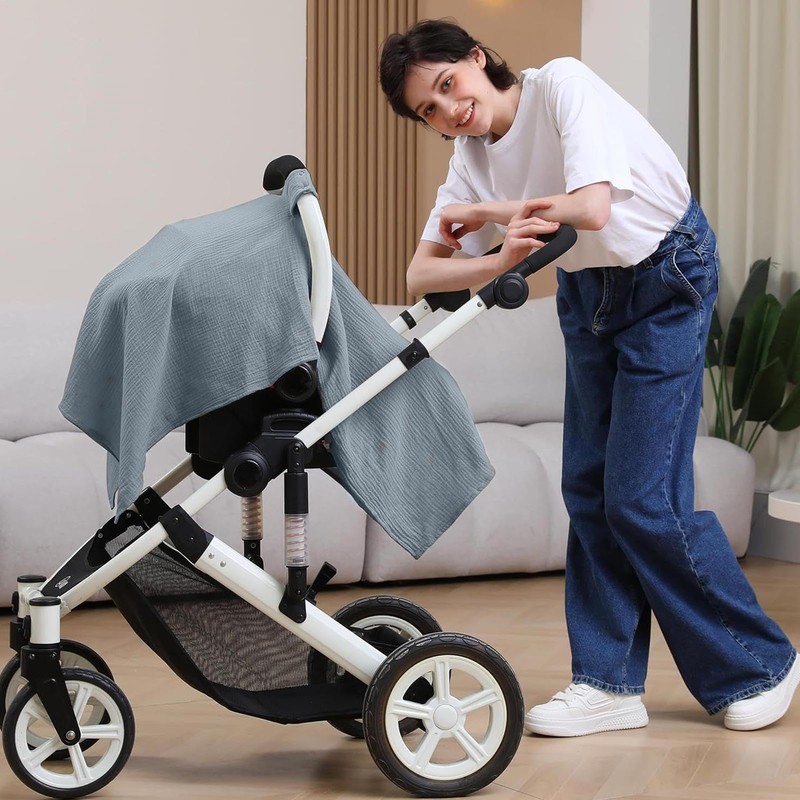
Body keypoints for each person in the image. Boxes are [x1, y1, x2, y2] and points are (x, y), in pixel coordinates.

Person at [379, 18, 799, 737]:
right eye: (430, 110)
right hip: (585, 291)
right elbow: (422, 274)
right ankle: (607, 683)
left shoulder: (561, 86)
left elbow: (591, 206)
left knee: (642, 497)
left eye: (448, 84)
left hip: (666, 274)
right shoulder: (469, 161)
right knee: (588, 489)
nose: (450, 110)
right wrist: (499, 257)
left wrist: (491, 216)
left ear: (477, 58)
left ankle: (760, 664)